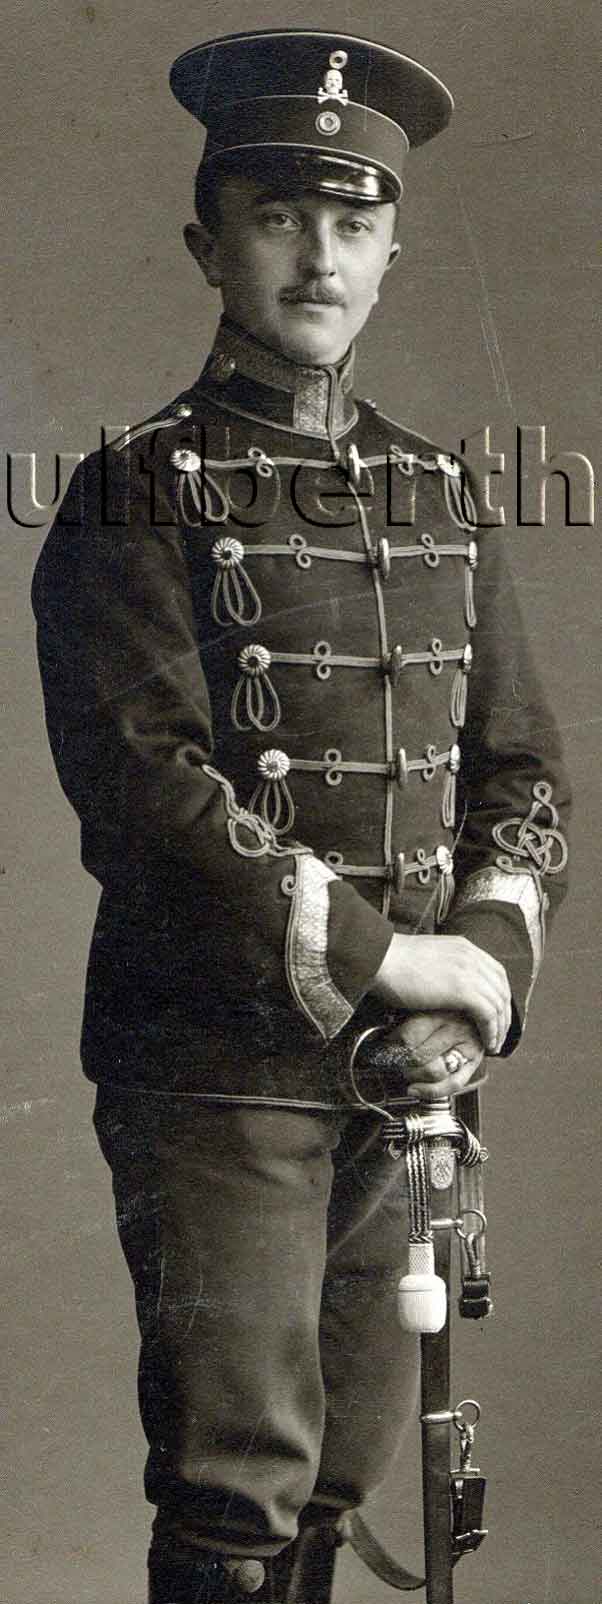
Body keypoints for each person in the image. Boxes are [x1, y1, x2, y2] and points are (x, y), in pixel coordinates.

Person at [31, 29, 570, 1604]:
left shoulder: (443, 495)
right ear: (208, 244)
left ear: (395, 253)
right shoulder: (135, 489)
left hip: (409, 1078)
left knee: (344, 1473)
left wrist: (479, 974)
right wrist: (389, 959)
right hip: (217, 1064)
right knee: (238, 1481)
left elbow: (523, 778)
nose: (318, 256)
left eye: (350, 222)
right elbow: (148, 791)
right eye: (276, 217)